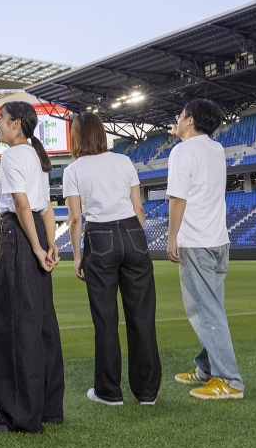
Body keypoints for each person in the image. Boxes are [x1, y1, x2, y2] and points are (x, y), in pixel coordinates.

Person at [64, 112, 161, 406]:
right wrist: (133, 237)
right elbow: (139, 208)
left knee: (106, 320)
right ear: (101, 134)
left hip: (100, 238)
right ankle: (147, 392)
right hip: (133, 233)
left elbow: (75, 219)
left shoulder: (73, 170)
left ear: (77, 136)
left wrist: (78, 256)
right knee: (142, 316)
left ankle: (109, 392)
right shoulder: (123, 161)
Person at [0, 101, 64, 433]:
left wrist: (36, 248)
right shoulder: (38, 157)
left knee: (13, 322)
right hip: (37, 234)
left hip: (17, 236)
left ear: (17, 124)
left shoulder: (13, 156)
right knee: (42, 322)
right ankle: (49, 408)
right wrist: (49, 244)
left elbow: (21, 204)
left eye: (1, 119)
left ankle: (18, 413)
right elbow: (46, 208)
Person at [166, 98, 244, 400]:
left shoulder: (182, 152)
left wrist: (172, 238)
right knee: (213, 307)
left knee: (204, 312)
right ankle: (207, 367)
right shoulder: (216, 149)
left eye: (181, 115)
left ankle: (230, 380)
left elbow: (178, 198)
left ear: (190, 120)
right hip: (218, 240)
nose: (177, 118)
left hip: (196, 242)